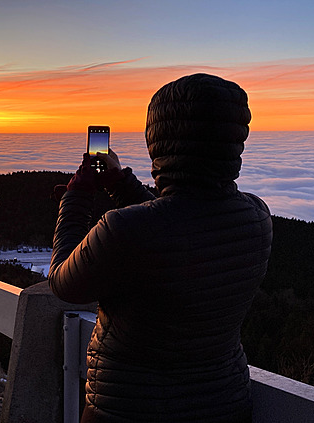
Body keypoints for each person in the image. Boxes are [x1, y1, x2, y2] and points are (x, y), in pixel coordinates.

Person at [48, 73, 272, 423]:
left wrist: (77, 194)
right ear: (234, 137)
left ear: (158, 137)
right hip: (224, 406)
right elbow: (178, 222)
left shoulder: (124, 229)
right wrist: (122, 183)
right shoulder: (256, 218)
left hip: (129, 410)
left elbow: (64, 283)